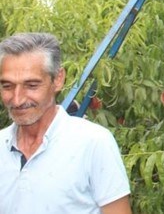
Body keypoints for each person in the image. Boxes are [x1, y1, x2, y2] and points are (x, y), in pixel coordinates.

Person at [0, 32, 132, 214]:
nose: (17, 99)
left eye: (31, 85)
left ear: (58, 79)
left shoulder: (93, 143)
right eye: (7, 86)